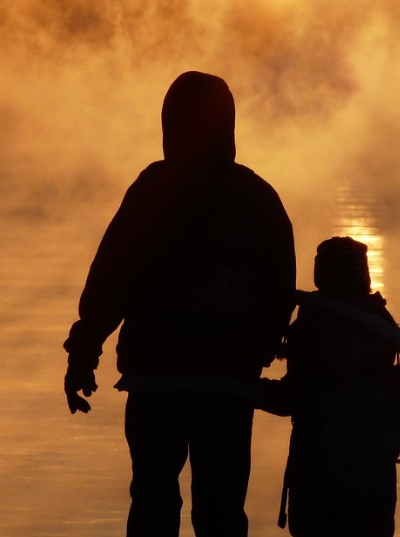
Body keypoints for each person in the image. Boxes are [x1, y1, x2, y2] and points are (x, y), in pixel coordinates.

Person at [63, 71, 296, 537]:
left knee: (152, 504)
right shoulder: (257, 197)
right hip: (227, 387)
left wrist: (83, 353)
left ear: (170, 125)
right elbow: (280, 289)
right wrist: (259, 350)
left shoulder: (153, 189)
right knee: (222, 511)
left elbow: (111, 277)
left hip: (156, 384)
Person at [259, 236, 400, 537]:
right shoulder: (380, 332)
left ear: (320, 277)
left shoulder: (310, 327)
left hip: (314, 486)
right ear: (364, 278)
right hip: (371, 490)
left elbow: (289, 398)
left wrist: (247, 390)